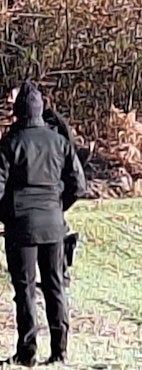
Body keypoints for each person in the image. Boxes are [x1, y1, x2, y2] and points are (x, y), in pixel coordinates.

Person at [0, 83, 86, 366]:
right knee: (55, 287)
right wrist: (58, 207)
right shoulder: (59, 141)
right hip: (53, 224)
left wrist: (8, 215)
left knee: (24, 290)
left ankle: (27, 353)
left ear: (18, 112)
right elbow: (78, 185)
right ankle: (60, 351)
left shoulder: (10, 143)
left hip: (21, 227)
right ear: (41, 109)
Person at [7, 82, 79, 288]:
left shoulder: (50, 126)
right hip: (50, 206)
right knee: (52, 280)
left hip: (37, 205)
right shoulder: (31, 130)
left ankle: (62, 272)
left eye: (12, 98)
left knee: (30, 284)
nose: (8, 103)